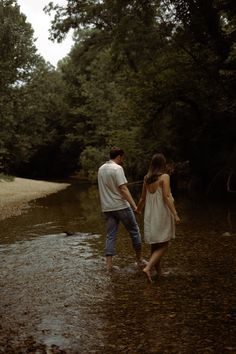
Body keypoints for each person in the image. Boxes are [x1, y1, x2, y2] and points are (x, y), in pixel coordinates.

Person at [98, 146, 145, 271]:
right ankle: (139, 260)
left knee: (110, 235)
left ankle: (108, 266)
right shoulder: (118, 168)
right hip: (121, 206)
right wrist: (135, 206)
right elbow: (123, 189)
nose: (122, 160)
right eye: (122, 157)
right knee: (134, 231)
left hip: (107, 208)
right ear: (119, 156)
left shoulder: (101, 169)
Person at [136, 153, 180, 283]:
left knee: (155, 243)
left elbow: (142, 198)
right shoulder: (165, 177)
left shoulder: (146, 178)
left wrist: (138, 209)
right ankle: (148, 267)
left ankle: (158, 271)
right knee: (165, 243)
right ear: (163, 164)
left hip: (150, 214)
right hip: (162, 213)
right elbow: (166, 197)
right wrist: (175, 214)